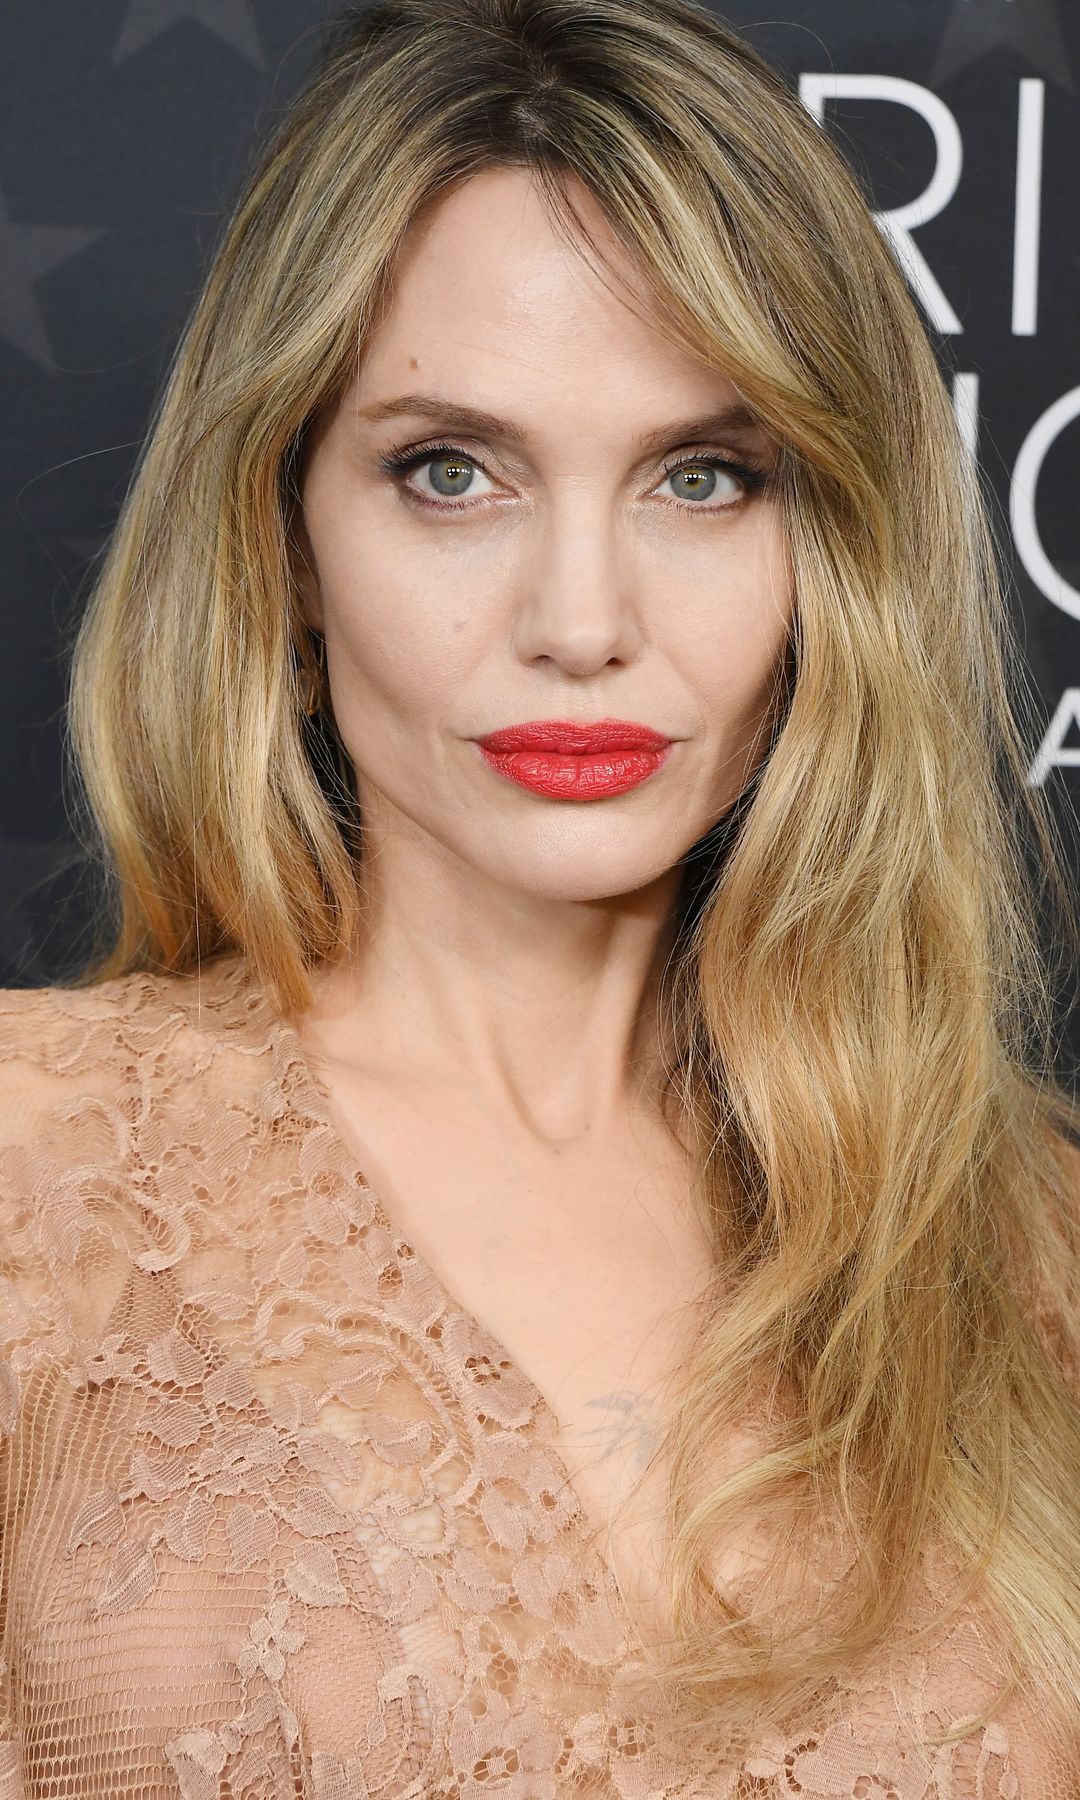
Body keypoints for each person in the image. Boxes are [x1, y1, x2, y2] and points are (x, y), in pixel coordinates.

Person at [2, 0, 1079, 1791]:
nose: (582, 622)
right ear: (285, 534)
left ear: (837, 554)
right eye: (451, 474)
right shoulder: (33, 1182)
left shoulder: (1033, 1250)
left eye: (704, 477)